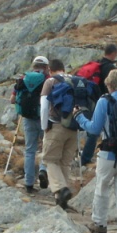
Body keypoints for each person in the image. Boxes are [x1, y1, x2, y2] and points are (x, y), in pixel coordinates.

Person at [74, 69, 117, 233]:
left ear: (109, 85)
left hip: (109, 154)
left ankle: (99, 224)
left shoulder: (104, 101)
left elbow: (94, 129)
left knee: (102, 188)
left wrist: (79, 117)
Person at [39, 58, 78, 209]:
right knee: (64, 163)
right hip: (73, 127)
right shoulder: (74, 80)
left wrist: (44, 126)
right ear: (63, 68)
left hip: (55, 126)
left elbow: (44, 107)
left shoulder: (50, 82)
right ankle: (61, 201)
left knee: (50, 160)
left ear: (50, 70)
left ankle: (62, 189)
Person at [12, 55, 49, 192]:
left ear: (33, 66)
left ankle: (29, 183)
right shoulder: (48, 79)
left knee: (29, 150)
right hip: (44, 118)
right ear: (46, 67)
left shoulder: (23, 79)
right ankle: (43, 170)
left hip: (27, 118)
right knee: (46, 147)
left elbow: (12, 99)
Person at [80, 42, 117, 167]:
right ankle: (86, 158)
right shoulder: (110, 68)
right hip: (105, 101)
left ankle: (86, 156)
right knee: (97, 131)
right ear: (113, 53)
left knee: (94, 129)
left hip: (93, 100)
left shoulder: (98, 64)